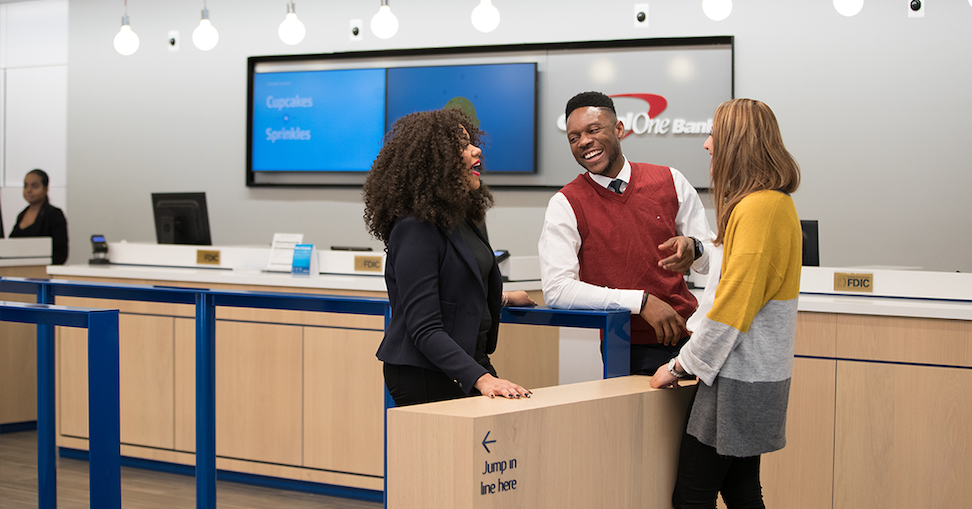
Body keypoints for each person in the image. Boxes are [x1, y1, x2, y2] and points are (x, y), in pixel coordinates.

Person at [650, 98, 802, 509]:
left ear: (736, 142)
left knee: (692, 497)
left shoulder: (759, 208)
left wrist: (679, 365)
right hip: (751, 377)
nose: (706, 144)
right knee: (741, 492)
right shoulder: (773, 203)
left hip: (738, 380)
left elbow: (732, 308)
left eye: (714, 134)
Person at [363, 108, 536, 407]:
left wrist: (502, 298)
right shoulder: (415, 228)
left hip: (465, 363)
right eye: (463, 145)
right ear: (435, 161)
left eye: (472, 142)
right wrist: (483, 379)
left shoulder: (468, 217)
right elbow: (424, 327)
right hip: (423, 373)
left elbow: (455, 287)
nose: (476, 149)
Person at [538, 91, 714, 375]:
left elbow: (710, 260)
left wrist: (696, 248)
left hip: (692, 340)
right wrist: (639, 302)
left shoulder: (670, 181)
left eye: (593, 130)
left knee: (700, 421)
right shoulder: (566, 203)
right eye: (574, 137)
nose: (584, 141)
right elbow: (557, 290)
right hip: (628, 348)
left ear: (619, 129)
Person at [10, 169, 69, 264]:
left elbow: (61, 252)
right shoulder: (22, 215)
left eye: (34, 186)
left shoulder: (54, 214)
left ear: (46, 189)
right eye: (26, 186)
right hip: (19, 271)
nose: (28, 190)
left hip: (42, 273)